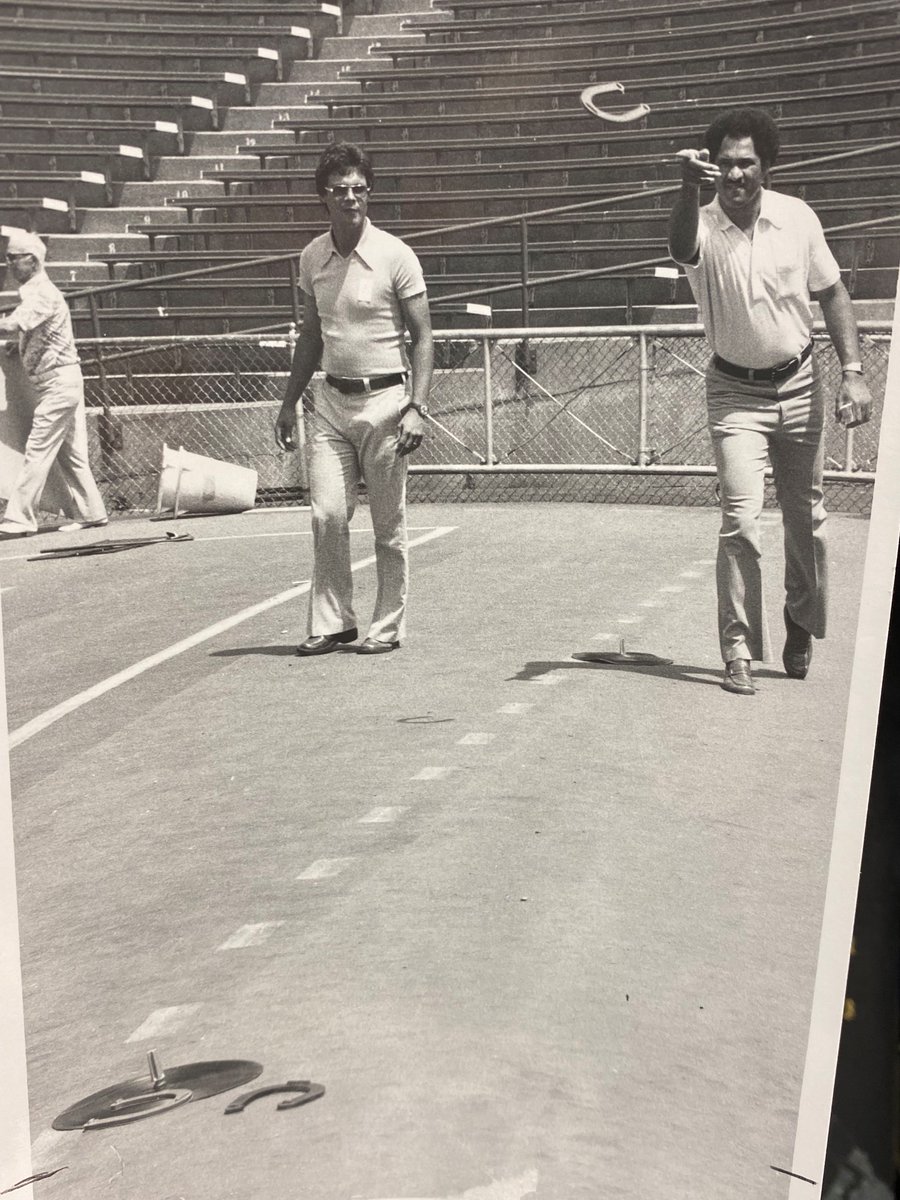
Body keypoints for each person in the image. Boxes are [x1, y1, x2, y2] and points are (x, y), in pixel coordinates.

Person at [667, 107, 872, 696]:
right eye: (726, 164)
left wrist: (852, 373)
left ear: (766, 166)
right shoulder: (700, 223)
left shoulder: (798, 218)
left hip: (801, 383)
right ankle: (737, 648)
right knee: (740, 518)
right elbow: (681, 244)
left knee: (807, 518)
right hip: (733, 391)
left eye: (746, 163)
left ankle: (800, 622)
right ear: (712, 168)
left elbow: (832, 292)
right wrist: (686, 189)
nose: (736, 175)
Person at [274, 142, 433, 656]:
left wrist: (417, 406)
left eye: (359, 189)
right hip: (330, 404)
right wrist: (288, 401)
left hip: (387, 403)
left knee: (388, 527)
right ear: (324, 196)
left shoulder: (396, 255)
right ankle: (333, 622)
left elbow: (424, 338)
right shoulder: (311, 257)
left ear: (370, 193)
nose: (350, 199)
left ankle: (386, 627)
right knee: (327, 515)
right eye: (340, 190)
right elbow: (311, 335)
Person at [0, 229, 108, 539]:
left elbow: (14, 322)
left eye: (12, 259)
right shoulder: (37, 292)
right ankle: (92, 513)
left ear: (31, 261)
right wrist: (17, 347)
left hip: (58, 383)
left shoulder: (42, 292)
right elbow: (34, 331)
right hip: (60, 382)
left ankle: (20, 519)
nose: (7, 265)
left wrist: (14, 336)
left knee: (37, 449)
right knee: (70, 455)